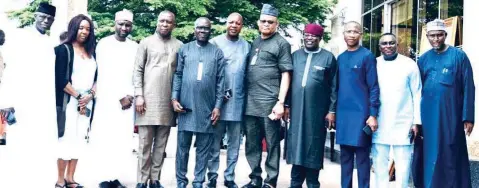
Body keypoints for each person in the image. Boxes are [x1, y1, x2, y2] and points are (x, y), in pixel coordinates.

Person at [0, 3, 59, 187]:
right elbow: (9, 69)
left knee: (40, 145)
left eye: (49, 19)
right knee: (20, 144)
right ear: (35, 16)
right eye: (42, 17)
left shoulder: (50, 43)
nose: (45, 21)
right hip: (22, 101)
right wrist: (7, 100)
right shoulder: (20, 37)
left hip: (43, 102)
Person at [418, 19, 475, 188]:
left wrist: (468, 117)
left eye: (439, 35)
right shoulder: (423, 60)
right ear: (427, 36)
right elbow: (416, 90)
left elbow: (468, 87)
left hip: (452, 116)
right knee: (430, 154)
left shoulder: (459, 56)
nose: (435, 39)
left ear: (445, 35)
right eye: (432, 36)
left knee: (450, 152)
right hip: (428, 117)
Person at [242, 4, 293, 188]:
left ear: (276, 24)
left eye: (270, 22)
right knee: (252, 143)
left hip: (270, 103)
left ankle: (270, 181)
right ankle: (255, 178)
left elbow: (286, 73)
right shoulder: (255, 42)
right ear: (258, 22)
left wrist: (281, 102)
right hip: (250, 103)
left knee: (272, 144)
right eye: (263, 21)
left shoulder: (281, 43)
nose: (266, 24)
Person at [171, 17, 225, 188]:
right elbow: (178, 75)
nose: (202, 31)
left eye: (206, 28)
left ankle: (198, 180)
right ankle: (180, 180)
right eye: (199, 28)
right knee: (182, 149)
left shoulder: (217, 52)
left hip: (207, 108)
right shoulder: (185, 49)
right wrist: (174, 98)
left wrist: (217, 106)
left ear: (211, 31)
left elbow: (221, 81)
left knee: (203, 149)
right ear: (194, 30)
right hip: (185, 107)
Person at [133, 10, 183, 188]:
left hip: (167, 102)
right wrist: (139, 95)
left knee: (161, 145)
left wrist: (176, 99)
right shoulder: (146, 42)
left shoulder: (179, 45)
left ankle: (155, 179)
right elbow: (138, 70)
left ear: (174, 25)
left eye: (168, 22)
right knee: (145, 144)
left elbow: (180, 74)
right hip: (146, 101)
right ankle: (141, 180)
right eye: (161, 21)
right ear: (157, 22)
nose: (164, 24)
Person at [88, 9, 137, 188]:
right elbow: (103, 74)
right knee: (105, 138)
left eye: (127, 24)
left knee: (121, 140)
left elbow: (136, 75)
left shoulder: (134, 47)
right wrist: (118, 96)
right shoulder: (104, 44)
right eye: (121, 24)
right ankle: (104, 177)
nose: (124, 27)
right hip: (107, 100)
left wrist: (130, 95)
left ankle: (115, 177)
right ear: (114, 24)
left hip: (128, 102)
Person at [284, 23, 337, 188]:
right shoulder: (295, 56)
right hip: (296, 111)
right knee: (296, 144)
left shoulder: (328, 58)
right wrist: (286, 105)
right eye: (307, 35)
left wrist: (332, 110)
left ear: (320, 38)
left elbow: (334, 86)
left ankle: (313, 182)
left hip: (317, 112)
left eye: (313, 36)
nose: (309, 38)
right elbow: (288, 82)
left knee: (314, 145)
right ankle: (295, 182)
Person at [206, 12, 250, 188]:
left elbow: (248, 75)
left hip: (237, 102)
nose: (233, 25)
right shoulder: (215, 43)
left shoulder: (246, 46)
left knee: (234, 143)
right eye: (230, 22)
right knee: (214, 142)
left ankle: (229, 176)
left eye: (237, 23)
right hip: (217, 103)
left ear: (241, 25)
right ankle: (212, 176)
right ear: (226, 23)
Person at [372, 33, 421, 188]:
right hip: (379, 122)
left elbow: (417, 93)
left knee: (403, 166)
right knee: (380, 166)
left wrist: (416, 121)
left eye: (391, 43)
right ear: (379, 47)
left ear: (397, 45)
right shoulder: (373, 63)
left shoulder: (409, 64)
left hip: (403, 122)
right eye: (384, 43)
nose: (388, 46)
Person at [54, 14, 98, 188]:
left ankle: (71, 178)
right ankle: (60, 179)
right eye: (81, 28)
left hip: (87, 102)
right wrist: (79, 97)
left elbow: (98, 77)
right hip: (70, 101)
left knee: (80, 139)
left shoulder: (92, 52)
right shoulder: (63, 49)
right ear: (74, 28)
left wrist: (91, 95)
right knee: (66, 139)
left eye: (88, 29)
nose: (84, 32)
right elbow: (60, 80)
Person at [336, 21, 380, 188]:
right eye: (348, 31)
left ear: (361, 34)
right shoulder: (340, 58)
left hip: (362, 116)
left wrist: (373, 114)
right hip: (343, 117)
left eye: (355, 31)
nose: (352, 34)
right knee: (345, 158)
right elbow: (336, 88)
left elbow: (374, 87)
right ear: (344, 34)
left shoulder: (367, 56)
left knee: (362, 160)